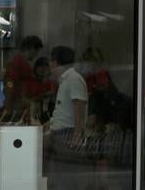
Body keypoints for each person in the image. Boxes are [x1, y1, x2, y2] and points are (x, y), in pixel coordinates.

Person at [48, 45, 89, 189]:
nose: (50, 66)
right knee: (60, 175)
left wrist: (77, 135)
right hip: (61, 133)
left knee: (66, 176)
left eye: (51, 62)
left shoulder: (74, 79)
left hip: (68, 133)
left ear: (55, 62)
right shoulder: (65, 80)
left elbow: (79, 107)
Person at [4, 35, 44, 121]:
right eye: (36, 50)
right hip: (17, 104)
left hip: (23, 104)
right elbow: (9, 82)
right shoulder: (17, 62)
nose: (37, 54)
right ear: (30, 48)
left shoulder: (24, 63)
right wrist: (9, 104)